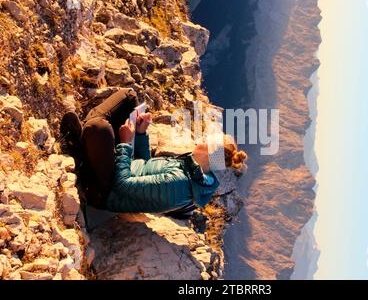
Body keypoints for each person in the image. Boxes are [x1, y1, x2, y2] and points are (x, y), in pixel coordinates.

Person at [59, 88, 247, 218]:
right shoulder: (189, 166)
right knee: (129, 97)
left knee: (98, 128)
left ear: (208, 152)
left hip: (105, 191)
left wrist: (125, 143)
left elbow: (123, 185)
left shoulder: (179, 184)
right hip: (124, 169)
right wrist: (140, 134)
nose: (201, 139)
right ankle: (83, 141)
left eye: (206, 141)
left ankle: (78, 145)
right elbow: (145, 165)